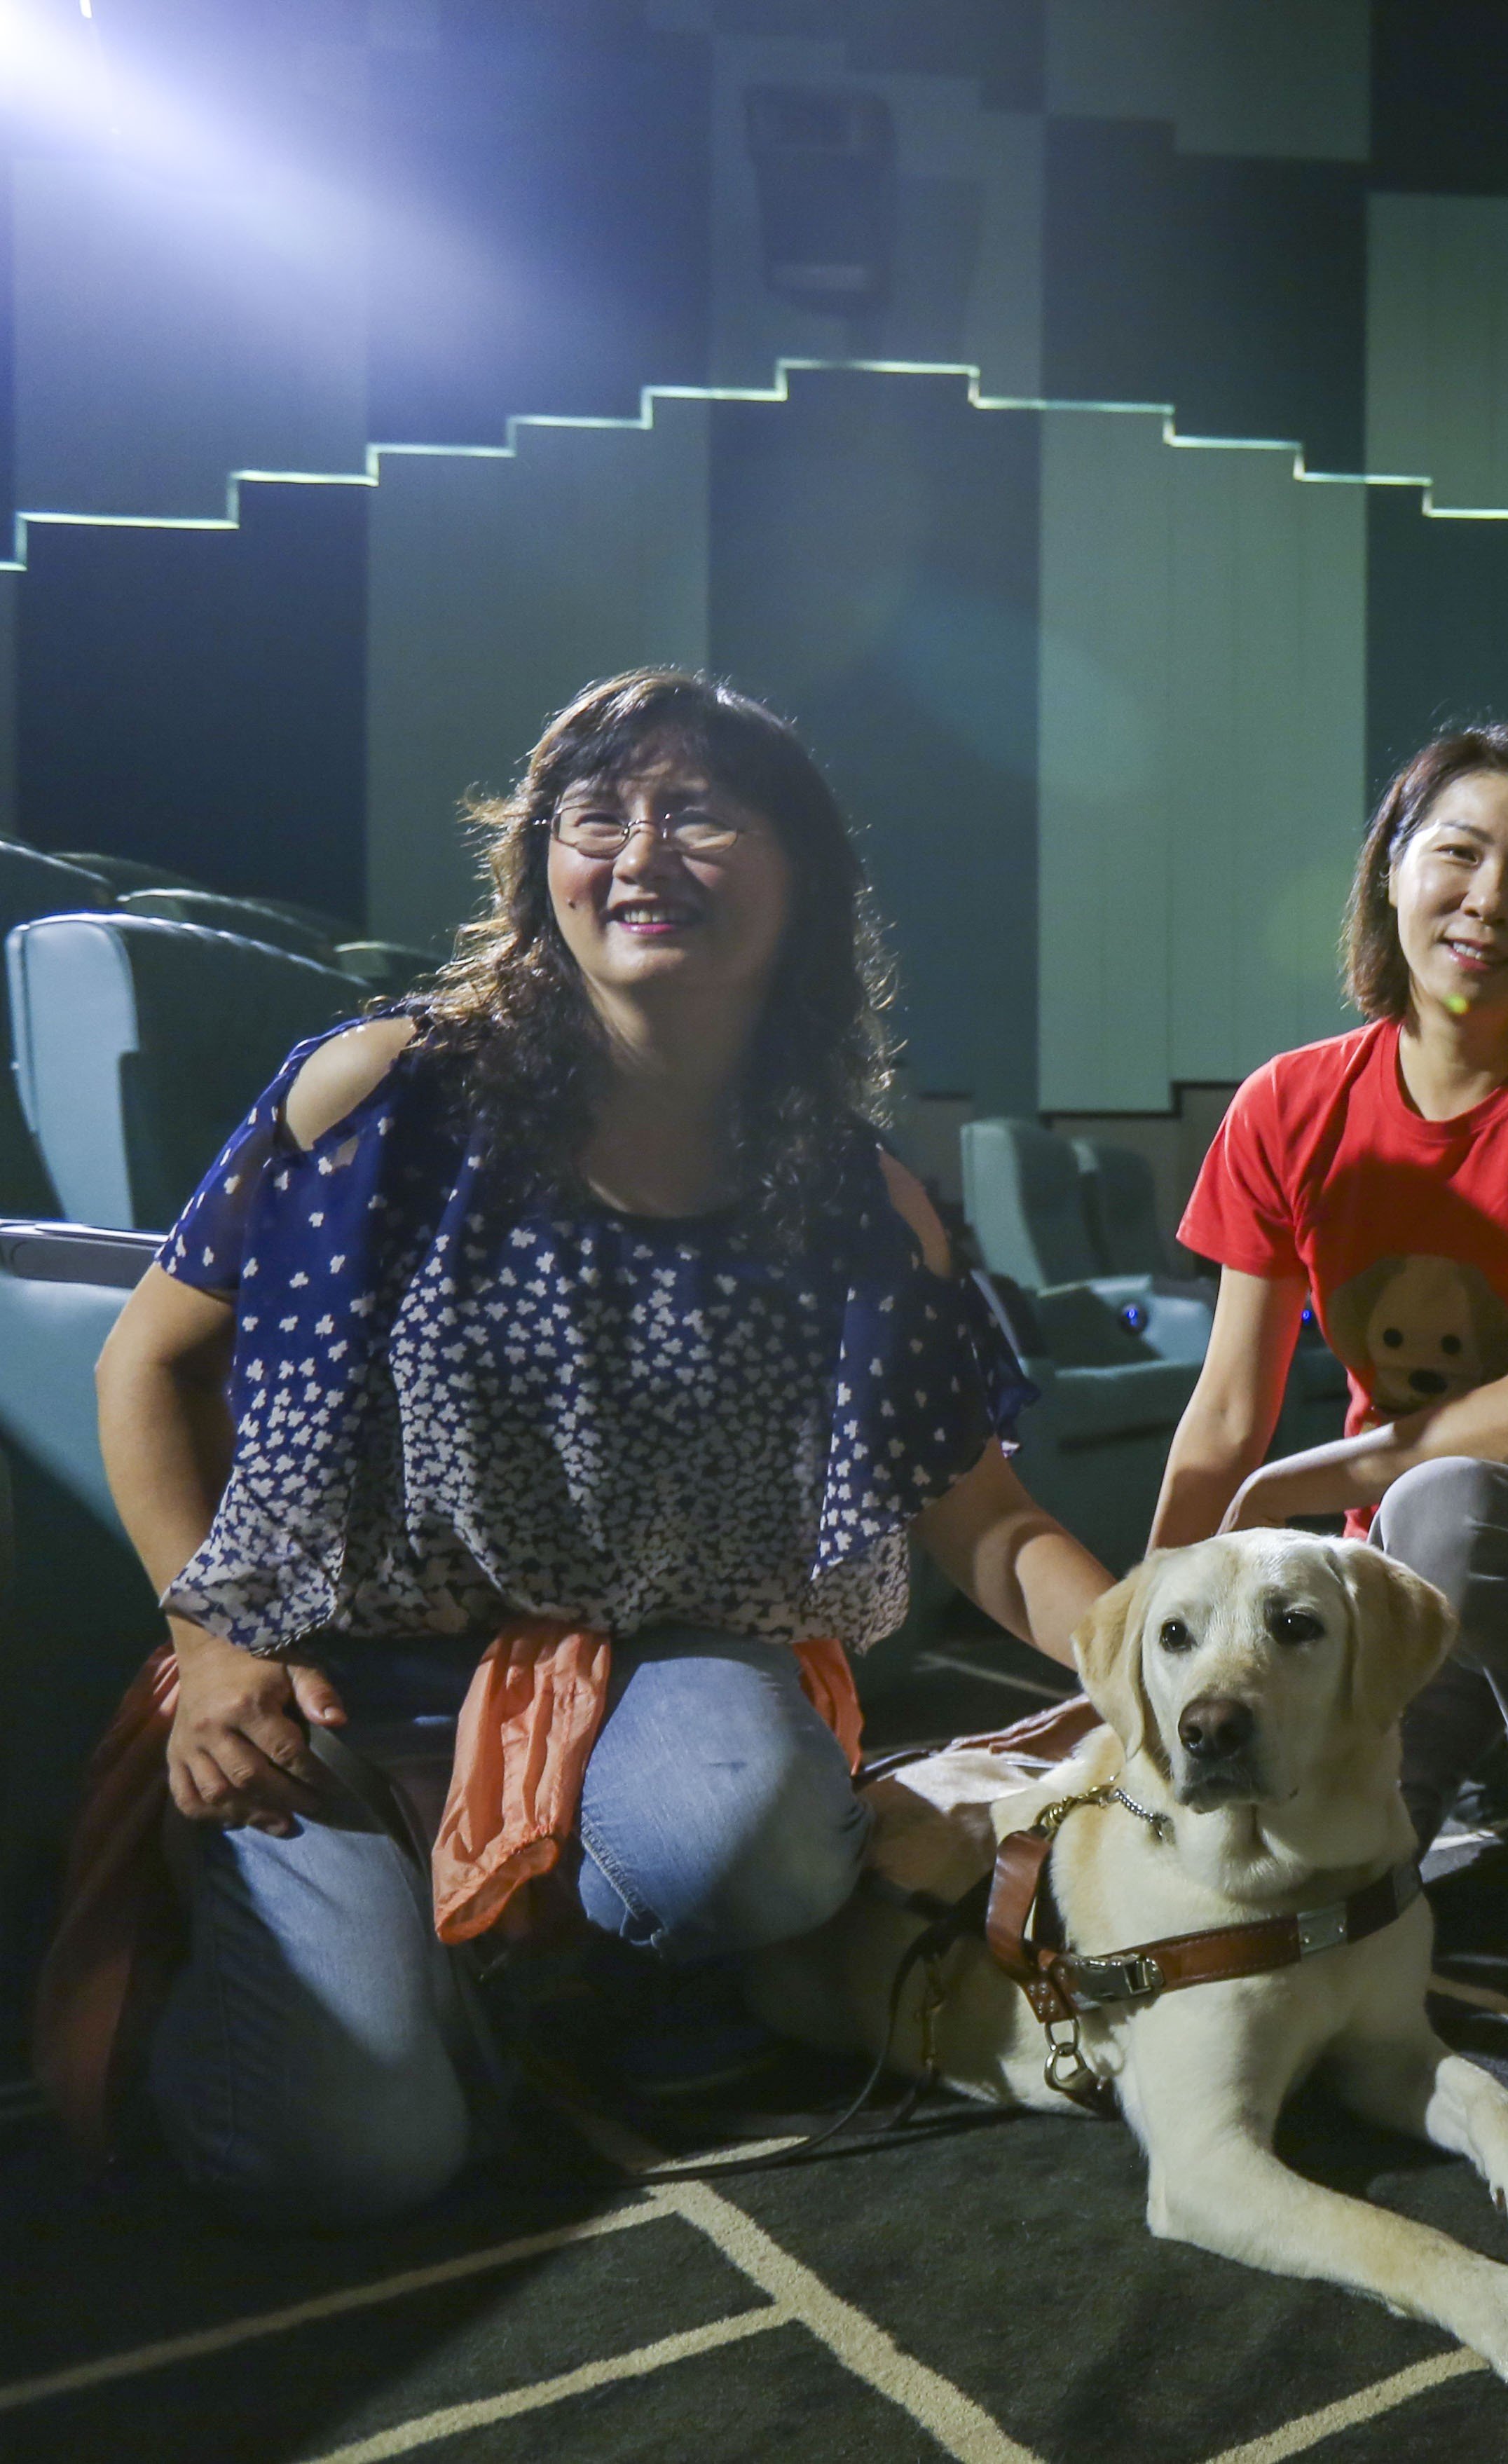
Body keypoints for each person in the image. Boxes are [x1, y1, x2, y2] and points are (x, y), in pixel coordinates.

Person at [85, 669, 1110, 2221]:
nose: (640, 853)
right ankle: (389, 1972)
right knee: (357, 2160)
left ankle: (537, 1961)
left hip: (654, 1662)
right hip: (338, 1678)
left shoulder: (855, 1195)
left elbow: (981, 1513)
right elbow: (147, 1360)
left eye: (700, 814)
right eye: (597, 815)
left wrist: (1159, 1650)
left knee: (751, 1842)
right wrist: (208, 1639)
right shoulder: (382, 1092)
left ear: (803, 881)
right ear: (538, 864)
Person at [1154, 725, 1508, 1910]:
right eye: (1458, 854)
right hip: (1388, 1568)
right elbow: (1226, 1415)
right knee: (1328, 1878)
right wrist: (1147, 1644)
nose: (1491, 902)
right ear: (1390, 870)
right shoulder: (1288, 1106)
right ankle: (1475, 1737)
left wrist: (1287, 1491)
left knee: (1443, 1502)